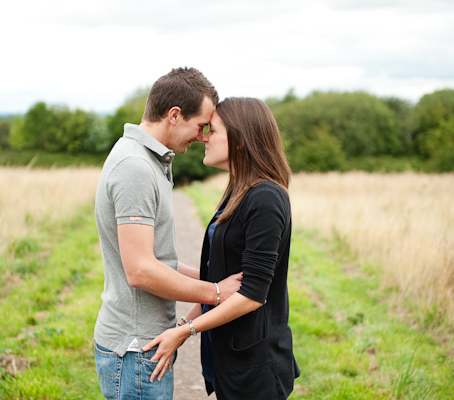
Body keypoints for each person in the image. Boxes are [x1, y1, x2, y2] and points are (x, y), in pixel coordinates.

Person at [93, 67, 242, 400]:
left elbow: (159, 261)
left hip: (144, 345)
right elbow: (141, 270)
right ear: (174, 115)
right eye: (201, 125)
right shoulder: (136, 168)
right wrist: (215, 294)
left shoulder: (147, 160)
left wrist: (213, 279)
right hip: (135, 349)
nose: (204, 136)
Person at [143, 97, 301, 399]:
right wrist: (185, 325)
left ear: (240, 140)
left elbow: (251, 295)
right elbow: (220, 282)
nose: (203, 137)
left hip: (256, 368)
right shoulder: (238, 191)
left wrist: (184, 331)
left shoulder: (265, 197)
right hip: (231, 361)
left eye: (212, 131)